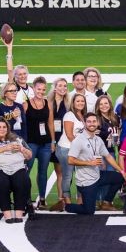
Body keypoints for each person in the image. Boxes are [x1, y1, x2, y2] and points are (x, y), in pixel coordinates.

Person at [65, 113, 126, 215]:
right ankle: (66, 206)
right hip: (86, 182)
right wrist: (89, 163)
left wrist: (121, 171)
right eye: (89, 121)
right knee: (89, 211)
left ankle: (106, 202)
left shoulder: (98, 139)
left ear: (98, 123)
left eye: (94, 121)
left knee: (120, 177)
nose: (92, 124)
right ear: (85, 123)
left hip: (97, 175)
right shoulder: (78, 140)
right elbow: (70, 160)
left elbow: (108, 156)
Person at [0, 119, 34, 223]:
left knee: (23, 181)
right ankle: (7, 215)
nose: (2, 129)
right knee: (1, 183)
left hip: (17, 167)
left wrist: (22, 149)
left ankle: (18, 214)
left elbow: (29, 155)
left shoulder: (17, 139)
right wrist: (5, 148)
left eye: (4, 127)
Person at [23, 76, 54, 209]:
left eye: (43, 89)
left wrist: (53, 141)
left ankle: (42, 198)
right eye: (38, 89)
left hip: (45, 143)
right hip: (31, 143)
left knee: (43, 171)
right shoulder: (26, 104)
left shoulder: (48, 103)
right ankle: (26, 197)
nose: (41, 91)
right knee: (27, 170)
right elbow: (22, 124)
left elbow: (50, 123)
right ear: (33, 88)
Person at [55, 93, 87, 208]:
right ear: (73, 103)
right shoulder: (69, 115)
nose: (80, 103)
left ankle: (80, 199)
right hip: (66, 149)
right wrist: (81, 149)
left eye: (82, 101)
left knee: (80, 174)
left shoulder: (82, 115)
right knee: (68, 175)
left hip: (77, 150)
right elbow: (69, 135)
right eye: (77, 101)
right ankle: (67, 200)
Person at [47, 77, 69, 206]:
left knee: (65, 171)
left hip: (64, 140)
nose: (63, 88)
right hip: (50, 139)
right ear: (54, 87)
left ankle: (63, 198)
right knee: (58, 170)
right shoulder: (47, 102)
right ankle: (60, 199)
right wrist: (52, 141)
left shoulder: (68, 103)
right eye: (60, 86)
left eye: (65, 86)